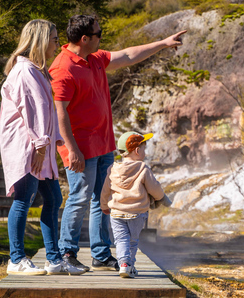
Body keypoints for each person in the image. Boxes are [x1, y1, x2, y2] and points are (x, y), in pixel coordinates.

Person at [49, 14, 185, 271]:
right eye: (99, 34)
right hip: (80, 149)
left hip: (103, 146)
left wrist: (163, 44)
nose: (102, 38)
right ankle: (67, 254)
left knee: (105, 201)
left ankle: (100, 254)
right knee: (79, 198)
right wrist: (72, 150)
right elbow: (59, 113)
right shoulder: (63, 67)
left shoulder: (96, 58)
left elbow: (130, 55)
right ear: (85, 38)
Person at [0, 19, 85, 276]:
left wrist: (55, 138)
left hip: (40, 147)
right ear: (40, 40)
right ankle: (16, 259)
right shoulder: (25, 71)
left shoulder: (36, 70)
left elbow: (46, 110)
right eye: (54, 38)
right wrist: (39, 146)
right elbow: (32, 111)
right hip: (27, 147)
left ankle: (54, 260)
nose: (58, 42)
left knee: (54, 198)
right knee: (23, 199)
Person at [100, 131, 172, 278]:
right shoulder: (143, 169)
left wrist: (104, 206)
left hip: (116, 213)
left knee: (121, 240)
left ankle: (123, 264)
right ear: (137, 151)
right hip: (137, 214)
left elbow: (105, 190)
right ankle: (129, 265)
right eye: (144, 149)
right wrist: (161, 197)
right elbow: (154, 188)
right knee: (132, 240)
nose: (145, 152)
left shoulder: (112, 169)